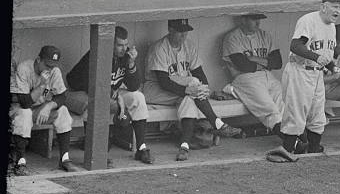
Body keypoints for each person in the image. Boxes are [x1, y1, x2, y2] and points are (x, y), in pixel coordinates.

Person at [143, 19, 242, 161]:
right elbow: (164, 82)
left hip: (180, 90)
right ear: (170, 29)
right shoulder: (159, 48)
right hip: (155, 89)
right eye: (179, 31)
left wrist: (205, 89)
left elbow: (199, 72)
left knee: (190, 98)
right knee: (192, 83)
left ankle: (184, 146)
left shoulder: (188, 45)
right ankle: (217, 123)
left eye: (185, 31)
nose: (183, 35)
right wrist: (191, 90)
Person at [65, 27, 153, 166]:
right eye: (119, 45)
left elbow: (134, 86)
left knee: (138, 97)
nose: (124, 49)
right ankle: (96, 152)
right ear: (110, 43)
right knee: (95, 103)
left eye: (125, 45)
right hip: (77, 92)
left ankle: (141, 148)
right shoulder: (96, 54)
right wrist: (111, 93)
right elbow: (80, 81)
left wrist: (131, 64)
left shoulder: (126, 57)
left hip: (109, 93)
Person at [279, 0, 340, 154]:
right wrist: (316, 57)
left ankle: (314, 150)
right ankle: (287, 152)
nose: (338, 10)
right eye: (334, 6)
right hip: (300, 71)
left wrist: (332, 67)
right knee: (296, 113)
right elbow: (295, 46)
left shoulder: (331, 27)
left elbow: (325, 55)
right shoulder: (308, 20)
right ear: (324, 7)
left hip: (316, 74)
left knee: (317, 114)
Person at [10, 45, 76, 176]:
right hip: (19, 109)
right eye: (47, 65)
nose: (50, 69)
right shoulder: (24, 68)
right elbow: (25, 102)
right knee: (25, 113)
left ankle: (64, 159)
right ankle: (20, 162)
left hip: (39, 109)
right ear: (38, 59)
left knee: (63, 111)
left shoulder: (54, 71)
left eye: (52, 66)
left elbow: (62, 96)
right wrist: (42, 85)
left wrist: (48, 106)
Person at [222, 13, 284, 134]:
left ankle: (298, 142)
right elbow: (244, 66)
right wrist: (266, 62)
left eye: (259, 19)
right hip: (245, 78)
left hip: (268, 77)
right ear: (243, 20)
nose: (258, 22)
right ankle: (293, 144)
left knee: (285, 107)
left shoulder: (264, 35)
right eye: (254, 19)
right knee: (270, 110)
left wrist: (253, 58)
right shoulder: (232, 37)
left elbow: (278, 63)